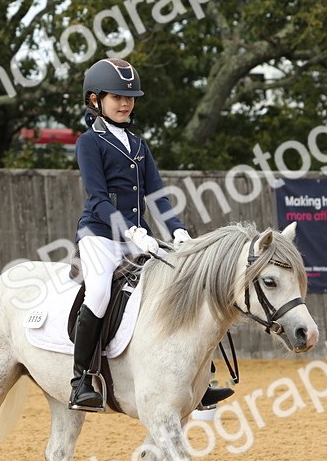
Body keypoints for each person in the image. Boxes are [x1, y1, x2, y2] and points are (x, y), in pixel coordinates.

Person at [69, 57, 234, 412]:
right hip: (99, 235)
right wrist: (130, 230)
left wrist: (179, 233)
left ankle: (201, 380)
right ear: (95, 100)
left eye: (130, 97)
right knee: (97, 294)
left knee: (180, 287)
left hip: (135, 237)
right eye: (117, 97)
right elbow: (97, 199)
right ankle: (81, 378)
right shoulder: (89, 142)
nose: (126, 103)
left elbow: (157, 197)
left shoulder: (139, 146)